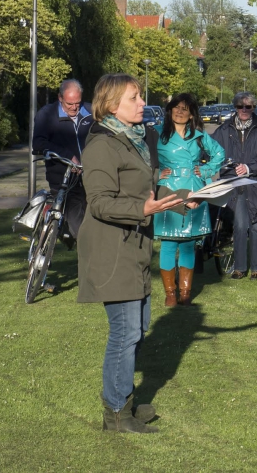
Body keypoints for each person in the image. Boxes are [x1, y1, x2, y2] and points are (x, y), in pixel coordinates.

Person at [78, 73, 191, 433]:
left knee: (137, 329)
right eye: (134, 98)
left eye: (141, 97)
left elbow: (145, 188)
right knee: (125, 333)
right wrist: (144, 209)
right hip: (113, 250)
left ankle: (121, 399)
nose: (143, 103)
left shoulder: (132, 140)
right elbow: (99, 203)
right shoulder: (102, 144)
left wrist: (188, 198)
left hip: (135, 246)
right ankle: (116, 412)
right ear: (112, 105)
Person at [154, 93, 226, 305]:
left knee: (188, 243)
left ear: (192, 113)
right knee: (168, 243)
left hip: (193, 190)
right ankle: (170, 294)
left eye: (185, 109)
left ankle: (185, 293)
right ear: (169, 110)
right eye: (176, 107)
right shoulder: (156, 133)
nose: (180, 111)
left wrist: (205, 171)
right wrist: (156, 174)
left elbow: (219, 154)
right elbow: (141, 158)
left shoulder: (199, 135)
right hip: (168, 190)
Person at [212, 92, 257, 280]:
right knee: (239, 225)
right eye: (240, 106)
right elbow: (211, 149)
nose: (244, 110)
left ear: (254, 108)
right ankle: (239, 268)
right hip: (235, 183)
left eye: (248, 106)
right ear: (235, 108)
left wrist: (248, 167)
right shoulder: (224, 130)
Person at [31, 78, 93, 239]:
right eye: (69, 104)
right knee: (75, 221)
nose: (74, 107)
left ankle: (71, 237)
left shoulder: (90, 112)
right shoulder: (47, 114)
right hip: (63, 178)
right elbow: (38, 142)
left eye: (77, 103)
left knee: (92, 219)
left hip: (90, 176)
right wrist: (68, 156)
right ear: (60, 98)